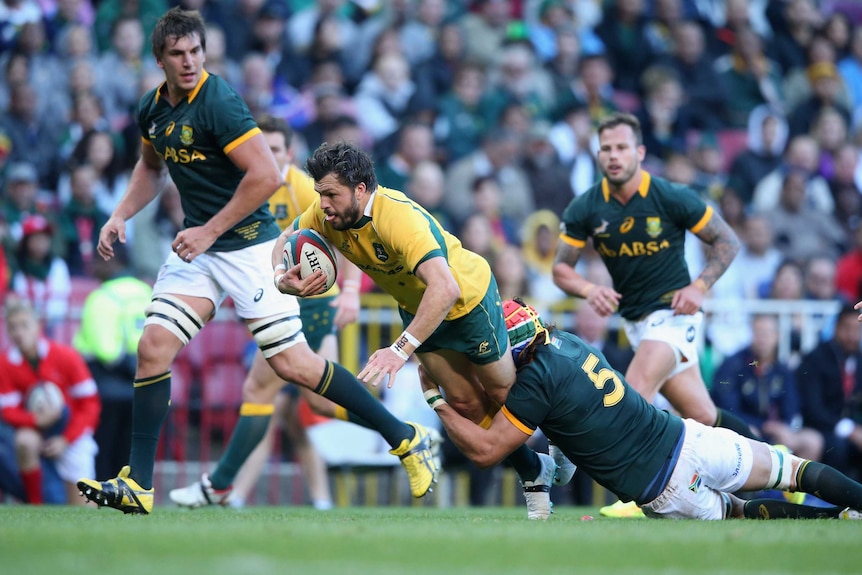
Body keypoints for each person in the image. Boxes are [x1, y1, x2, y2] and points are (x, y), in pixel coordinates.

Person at [76, 8, 437, 515]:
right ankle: (138, 484)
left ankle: (405, 437)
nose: (188, 62)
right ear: (159, 58)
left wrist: (208, 230)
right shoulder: (152, 109)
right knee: (153, 346)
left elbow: (267, 175)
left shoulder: (219, 101)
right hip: (199, 248)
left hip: (246, 246)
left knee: (295, 367)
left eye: (196, 52)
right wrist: (121, 214)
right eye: (177, 54)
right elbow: (151, 167)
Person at [275, 140, 571, 519]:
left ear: (360, 189)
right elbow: (284, 240)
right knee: (465, 405)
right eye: (320, 194)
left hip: (467, 301)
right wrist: (282, 278)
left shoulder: (397, 217)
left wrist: (398, 350)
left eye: (330, 193)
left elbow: (445, 288)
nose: (324, 203)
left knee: (502, 392)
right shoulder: (326, 212)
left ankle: (562, 435)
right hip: (421, 309)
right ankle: (535, 472)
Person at [421, 298, 862, 520]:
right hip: (689, 438)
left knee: (742, 513)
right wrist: (559, 459)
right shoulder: (570, 343)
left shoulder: (533, 383)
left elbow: (484, 452)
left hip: (666, 488)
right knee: (795, 469)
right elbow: (572, 416)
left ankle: (840, 520)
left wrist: (436, 399)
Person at [551, 112, 758, 518]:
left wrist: (699, 287)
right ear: (598, 154)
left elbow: (727, 241)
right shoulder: (586, 207)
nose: (614, 156)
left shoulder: (670, 195)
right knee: (702, 415)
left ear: (640, 152)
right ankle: (772, 460)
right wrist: (589, 289)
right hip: (637, 323)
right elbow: (560, 269)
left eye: (622, 147)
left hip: (673, 316)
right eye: (606, 148)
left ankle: (634, 497)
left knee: (630, 396)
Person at [169, 114, 357, 510]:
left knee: (262, 396)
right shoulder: (246, 187)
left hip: (311, 303)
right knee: (298, 406)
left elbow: (349, 235)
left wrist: (353, 291)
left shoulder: (306, 190)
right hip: (273, 302)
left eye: (274, 150)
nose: (267, 156)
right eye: (262, 149)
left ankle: (225, 489)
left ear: (288, 154)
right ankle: (239, 494)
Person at [0, 299, 101, 505]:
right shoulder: (6, 362)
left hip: (72, 431)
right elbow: (8, 411)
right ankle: (35, 504)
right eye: (12, 327)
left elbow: (91, 404)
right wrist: (37, 420)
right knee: (25, 442)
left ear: (38, 326)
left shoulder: (66, 356)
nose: (19, 332)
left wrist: (66, 439)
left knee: (82, 505)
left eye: (24, 325)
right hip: (36, 429)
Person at [73, 243, 151, 481]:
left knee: (103, 455)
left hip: (106, 387)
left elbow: (106, 351)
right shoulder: (147, 292)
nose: (93, 265)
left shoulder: (101, 297)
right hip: (144, 384)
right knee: (130, 455)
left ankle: (101, 503)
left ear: (113, 260)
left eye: (99, 259)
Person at [711, 314, 824, 462]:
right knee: (750, 433)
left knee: (813, 441)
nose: (762, 339)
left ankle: (793, 485)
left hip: (776, 432)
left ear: (777, 336)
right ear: (751, 334)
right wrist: (762, 425)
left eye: (768, 333)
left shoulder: (782, 370)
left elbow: (792, 405)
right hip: (745, 430)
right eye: (758, 333)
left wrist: (785, 427)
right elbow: (728, 409)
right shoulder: (733, 366)